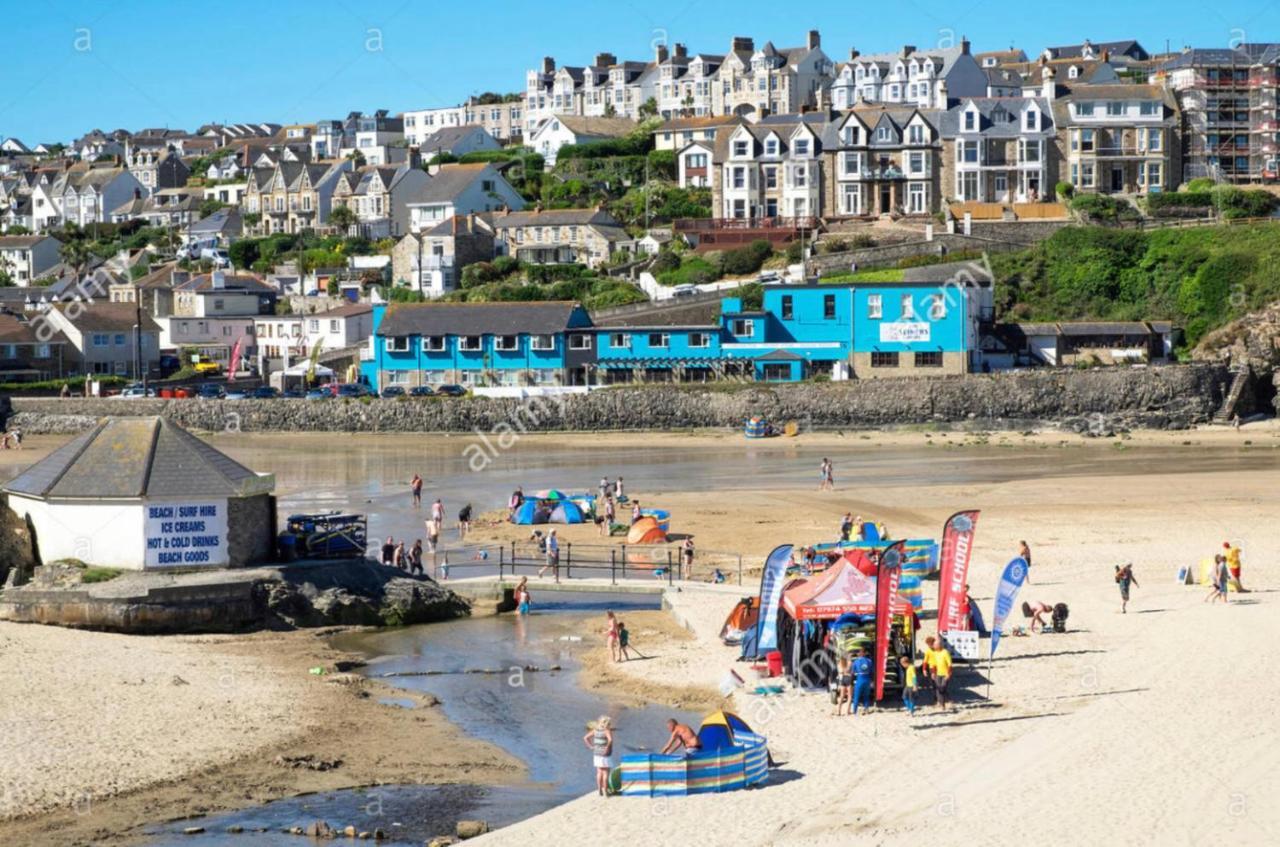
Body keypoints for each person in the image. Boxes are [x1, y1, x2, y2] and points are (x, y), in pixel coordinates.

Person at [583, 716, 614, 797]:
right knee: (606, 772)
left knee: (599, 772)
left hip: (597, 753)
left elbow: (585, 738)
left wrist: (591, 746)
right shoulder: (607, 731)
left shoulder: (595, 730)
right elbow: (610, 740)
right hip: (605, 754)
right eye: (609, 723)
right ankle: (606, 791)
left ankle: (599, 789)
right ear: (606, 723)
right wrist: (607, 747)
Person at [924, 636, 953, 711]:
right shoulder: (934, 652)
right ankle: (941, 703)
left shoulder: (945, 652)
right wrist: (932, 672)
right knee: (937, 687)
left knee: (942, 687)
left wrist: (949, 674)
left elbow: (949, 664)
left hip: (945, 673)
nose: (933, 646)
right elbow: (932, 663)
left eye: (934, 645)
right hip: (936, 672)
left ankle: (947, 700)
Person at [850, 648, 874, 715]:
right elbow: (872, 672)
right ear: (865, 653)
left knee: (856, 696)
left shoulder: (856, 661)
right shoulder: (869, 661)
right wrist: (872, 681)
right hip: (867, 679)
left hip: (860, 679)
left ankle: (855, 711)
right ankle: (866, 710)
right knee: (866, 696)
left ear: (858, 654)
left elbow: (852, 673)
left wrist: (851, 682)